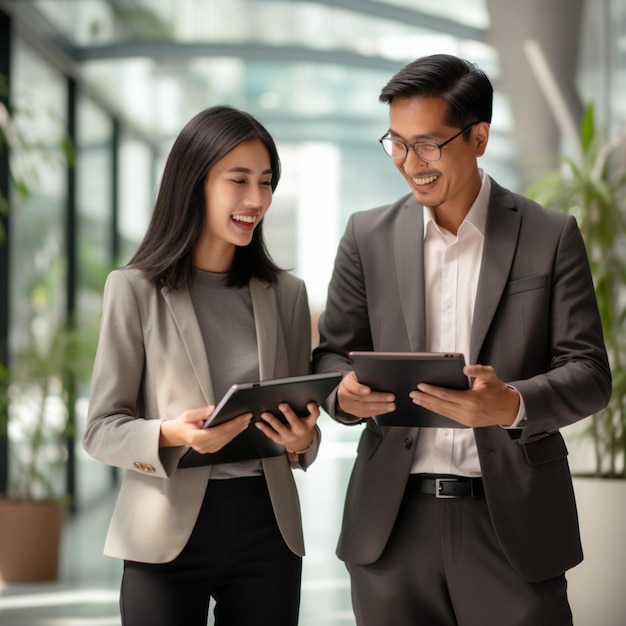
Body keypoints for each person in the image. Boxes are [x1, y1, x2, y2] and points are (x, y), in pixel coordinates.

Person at [312, 54, 611, 626]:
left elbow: (590, 372)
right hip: (391, 529)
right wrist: (341, 396)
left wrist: (512, 403)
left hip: (512, 527)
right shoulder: (365, 236)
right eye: (396, 144)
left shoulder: (550, 235)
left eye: (427, 145)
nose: (409, 164)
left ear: (479, 137)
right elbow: (331, 354)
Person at [83, 105, 321, 626]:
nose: (256, 200)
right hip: (163, 531)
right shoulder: (134, 289)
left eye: (266, 182)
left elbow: (302, 432)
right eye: (238, 180)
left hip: (268, 527)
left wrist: (302, 440)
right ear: (194, 183)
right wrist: (172, 432)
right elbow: (101, 430)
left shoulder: (287, 295)